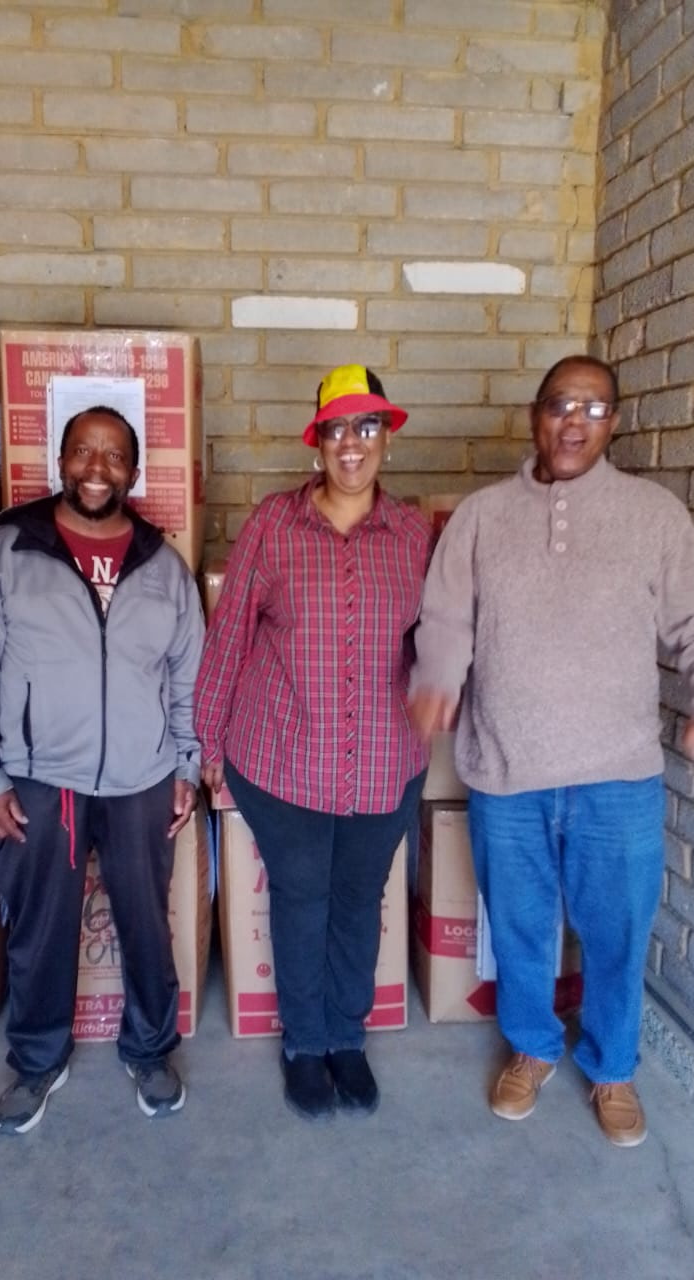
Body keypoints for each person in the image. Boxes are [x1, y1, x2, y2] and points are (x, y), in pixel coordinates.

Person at [409, 355, 694, 1148]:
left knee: (618, 930)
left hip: (616, 776)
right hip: (507, 770)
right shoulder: (484, 515)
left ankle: (614, 1067)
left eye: (592, 408)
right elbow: (446, 616)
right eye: (560, 405)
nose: (574, 421)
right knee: (519, 926)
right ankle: (531, 1048)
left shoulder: (653, 515)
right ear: (536, 416)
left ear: (613, 422)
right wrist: (439, 679)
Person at [0, 405, 204, 1134]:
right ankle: (36, 1060)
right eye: (84, 452)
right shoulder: (10, 552)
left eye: (115, 455)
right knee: (40, 926)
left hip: (141, 776)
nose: (98, 468)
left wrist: (186, 763)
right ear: (61, 462)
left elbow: (189, 676)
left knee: (146, 924)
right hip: (38, 776)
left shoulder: (161, 561)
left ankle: (150, 1049)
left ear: (134, 470)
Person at [195, 365, 430, 1120]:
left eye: (367, 427)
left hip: (385, 764)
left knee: (359, 900)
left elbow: (436, 638)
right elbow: (229, 636)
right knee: (301, 899)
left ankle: (345, 1039)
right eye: (338, 428)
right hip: (284, 758)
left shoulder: (413, 536)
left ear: (385, 439)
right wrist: (207, 745)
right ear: (318, 439)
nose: (352, 443)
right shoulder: (272, 524)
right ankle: (303, 1044)